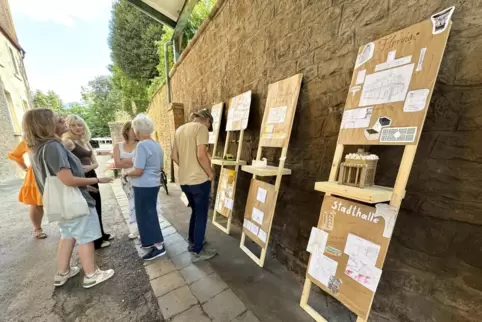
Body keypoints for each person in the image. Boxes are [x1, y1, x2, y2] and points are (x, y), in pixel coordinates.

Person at [23, 108, 114, 288]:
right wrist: (96, 179)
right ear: (46, 125)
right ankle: (91, 274)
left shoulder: (37, 149)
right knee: (85, 236)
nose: (64, 122)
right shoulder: (53, 147)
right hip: (74, 202)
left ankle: (62, 272)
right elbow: (67, 179)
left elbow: (56, 179)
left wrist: (83, 184)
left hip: (58, 201)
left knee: (68, 234)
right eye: (59, 121)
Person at [7, 116, 69, 239]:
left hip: (54, 172)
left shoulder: (59, 139)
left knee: (57, 199)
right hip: (36, 174)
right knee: (36, 204)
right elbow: (15, 155)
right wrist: (25, 168)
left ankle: (64, 227)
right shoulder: (29, 140)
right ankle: (37, 228)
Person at [172, 108, 217, 262]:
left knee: (195, 212)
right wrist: (210, 173)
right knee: (201, 215)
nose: (208, 128)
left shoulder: (179, 130)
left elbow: (173, 156)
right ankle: (197, 250)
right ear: (207, 120)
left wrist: (186, 167)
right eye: (209, 125)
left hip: (184, 180)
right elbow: (201, 155)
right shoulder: (201, 128)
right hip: (199, 180)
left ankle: (193, 242)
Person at [63, 115, 112, 249]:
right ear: (68, 127)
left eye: (79, 125)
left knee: (97, 205)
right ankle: (96, 241)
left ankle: (101, 234)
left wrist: (90, 167)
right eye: (73, 125)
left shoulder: (85, 141)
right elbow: (63, 164)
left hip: (91, 173)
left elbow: (95, 163)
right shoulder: (68, 142)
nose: (77, 128)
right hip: (80, 177)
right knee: (89, 208)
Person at [123, 114, 165, 261]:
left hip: (143, 185)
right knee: (150, 213)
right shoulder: (156, 144)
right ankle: (153, 241)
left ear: (137, 130)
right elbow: (159, 166)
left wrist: (126, 174)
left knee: (146, 215)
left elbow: (138, 170)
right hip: (153, 184)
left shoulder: (142, 145)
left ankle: (158, 246)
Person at [113, 121, 138, 239]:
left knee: (141, 203)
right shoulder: (118, 146)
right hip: (126, 179)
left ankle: (143, 228)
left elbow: (143, 162)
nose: (135, 131)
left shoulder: (141, 144)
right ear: (126, 131)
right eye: (133, 129)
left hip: (139, 176)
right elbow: (117, 163)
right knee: (131, 202)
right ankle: (134, 229)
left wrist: (125, 161)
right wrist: (133, 160)